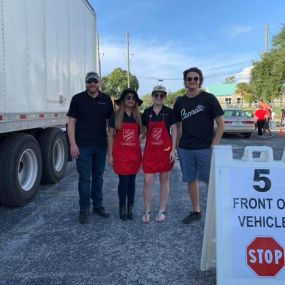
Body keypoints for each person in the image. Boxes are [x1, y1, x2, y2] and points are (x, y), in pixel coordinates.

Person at [173, 67, 224, 224]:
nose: (193, 81)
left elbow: (221, 125)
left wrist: (213, 146)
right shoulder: (180, 101)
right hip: (185, 148)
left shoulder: (208, 98)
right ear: (185, 82)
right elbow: (177, 126)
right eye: (189, 79)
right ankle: (196, 211)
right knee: (191, 180)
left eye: (196, 78)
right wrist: (177, 147)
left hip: (205, 148)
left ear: (200, 80)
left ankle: (215, 213)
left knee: (210, 181)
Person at [67, 72, 114, 224]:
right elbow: (71, 122)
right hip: (83, 147)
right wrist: (73, 144)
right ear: (85, 83)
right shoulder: (77, 99)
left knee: (99, 177)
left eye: (95, 81)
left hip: (101, 146)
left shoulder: (106, 99)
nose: (92, 83)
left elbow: (111, 124)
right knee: (85, 179)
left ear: (99, 83)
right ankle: (84, 209)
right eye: (89, 81)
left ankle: (98, 206)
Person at [141, 85, 177, 223]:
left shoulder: (169, 112)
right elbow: (145, 130)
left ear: (164, 97)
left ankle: (162, 210)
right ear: (152, 96)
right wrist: (141, 138)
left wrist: (173, 150)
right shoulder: (147, 112)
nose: (158, 97)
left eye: (161, 95)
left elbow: (174, 131)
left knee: (164, 180)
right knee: (147, 181)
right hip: (150, 152)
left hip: (165, 152)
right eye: (156, 95)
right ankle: (147, 211)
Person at [108, 88, 143, 221]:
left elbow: (146, 131)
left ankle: (130, 207)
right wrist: (110, 155)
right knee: (123, 181)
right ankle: (122, 206)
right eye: (128, 97)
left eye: (133, 98)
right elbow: (111, 136)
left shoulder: (138, 117)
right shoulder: (116, 116)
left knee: (132, 182)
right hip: (120, 154)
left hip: (134, 154)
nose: (131, 100)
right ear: (123, 100)